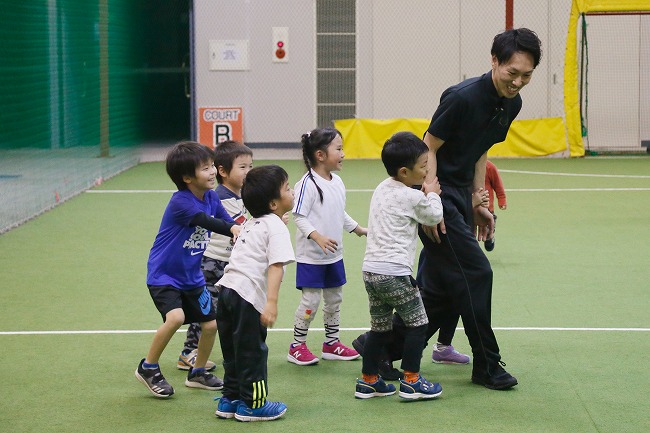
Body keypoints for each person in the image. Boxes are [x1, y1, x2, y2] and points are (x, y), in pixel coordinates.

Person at [355, 28, 542, 390]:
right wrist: (429, 200)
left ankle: (377, 347)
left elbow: (480, 150)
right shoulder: (462, 97)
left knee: (442, 291)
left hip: (459, 195)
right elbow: (429, 147)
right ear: (494, 61)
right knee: (476, 273)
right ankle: (486, 365)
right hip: (436, 190)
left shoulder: (512, 104)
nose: (518, 82)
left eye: (527, 75)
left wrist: (477, 199)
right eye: (512, 72)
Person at [135, 141, 241, 398]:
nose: (212, 172)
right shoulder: (180, 203)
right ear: (186, 177)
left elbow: (227, 221)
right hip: (164, 275)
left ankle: (198, 372)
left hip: (191, 276)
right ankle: (148, 367)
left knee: (211, 324)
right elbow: (208, 222)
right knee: (176, 318)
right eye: (205, 168)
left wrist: (242, 230)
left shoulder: (211, 196)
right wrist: (232, 230)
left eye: (211, 166)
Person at [355, 132, 443, 400]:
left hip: (371, 271)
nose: (428, 170)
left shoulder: (383, 187)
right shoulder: (413, 197)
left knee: (380, 328)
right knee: (418, 324)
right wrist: (433, 194)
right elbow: (434, 215)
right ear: (405, 172)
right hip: (394, 273)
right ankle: (412, 381)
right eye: (423, 166)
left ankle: (369, 380)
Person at [214, 165, 295, 422]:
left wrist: (276, 220)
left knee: (233, 350)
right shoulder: (276, 228)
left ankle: (230, 399)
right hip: (246, 296)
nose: (292, 191)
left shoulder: (251, 223)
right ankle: (254, 404)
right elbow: (276, 266)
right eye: (287, 188)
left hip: (226, 290)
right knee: (252, 351)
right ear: (273, 203)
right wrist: (271, 302)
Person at [287, 128, 366, 366]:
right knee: (310, 301)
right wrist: (317, 237)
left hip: (334, 256)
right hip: (311, 257)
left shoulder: (338, 182)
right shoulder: (307, 184)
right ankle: (297, 346)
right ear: (320, 155)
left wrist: (357, 228)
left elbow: (338, 212)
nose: (343, 154)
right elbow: (298, 216)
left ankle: (331, 344)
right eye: (339, 149)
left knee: (334, 299)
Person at [176, 141, 253, 372]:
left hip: (228, 262)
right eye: (243, 167)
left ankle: (221, 350)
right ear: (222, 171)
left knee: (224, 309)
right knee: (207, 310)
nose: (249, 172)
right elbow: (240, 227)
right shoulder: (219, 197)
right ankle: (189, 352)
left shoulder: (240, 195)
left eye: (251, 166)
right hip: (212, 263)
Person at [483, 159, 507, 251]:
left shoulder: (489, 167)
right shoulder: (467, 165)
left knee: (488, 229)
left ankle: (489, 237)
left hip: (488, 208)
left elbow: (497, 184)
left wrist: (502, 199)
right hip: (471, 206)